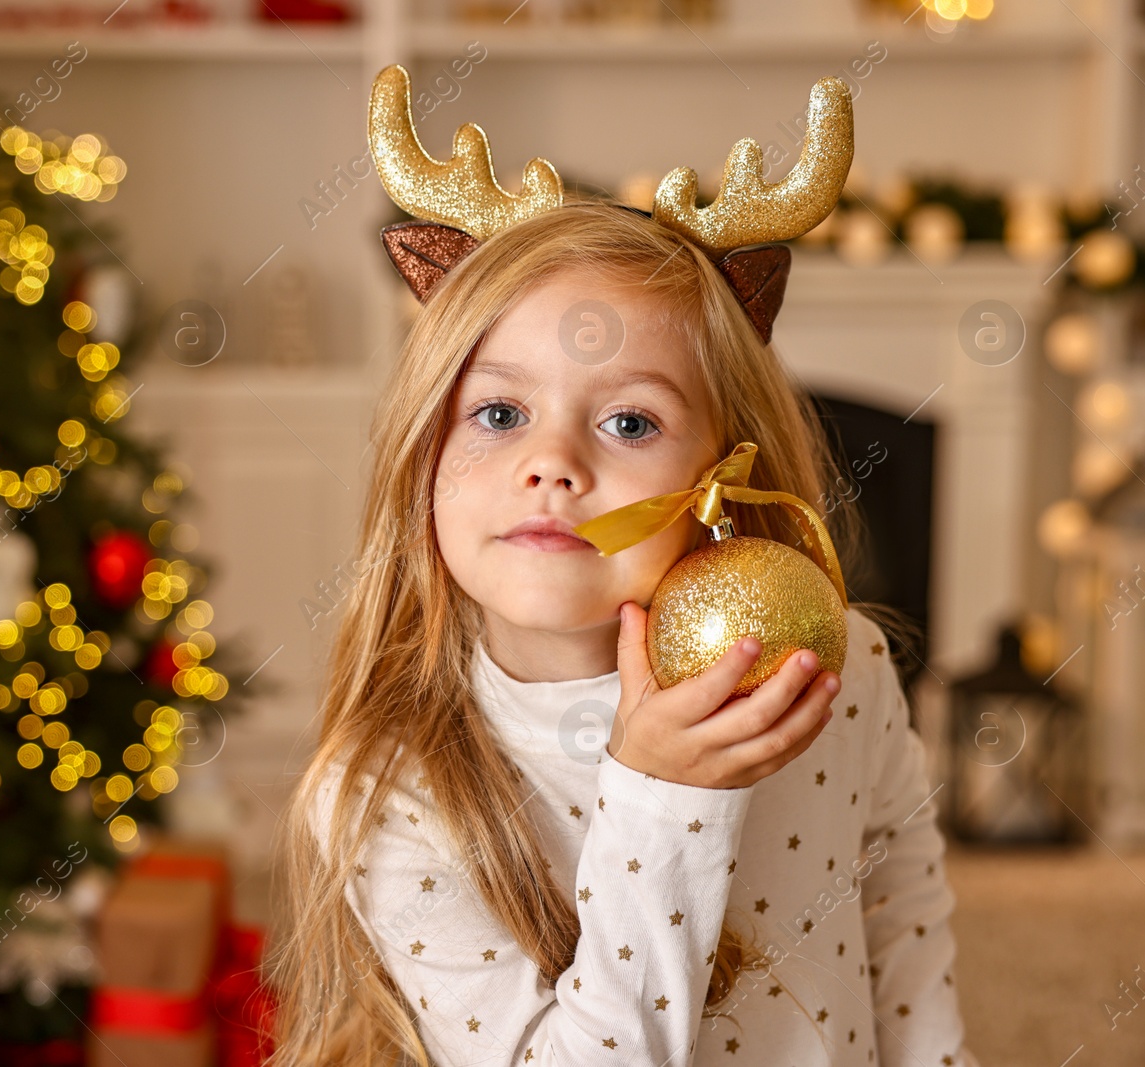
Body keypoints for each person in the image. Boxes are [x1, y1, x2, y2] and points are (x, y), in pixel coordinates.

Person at [265, 65, 977, 1067]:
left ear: (725, 468)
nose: (551, 461)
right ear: (426, 453)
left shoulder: (834, 667)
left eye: (629, 420)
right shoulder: (390, 786)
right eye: (500, 413)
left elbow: (901, 910)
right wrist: (660, 794)